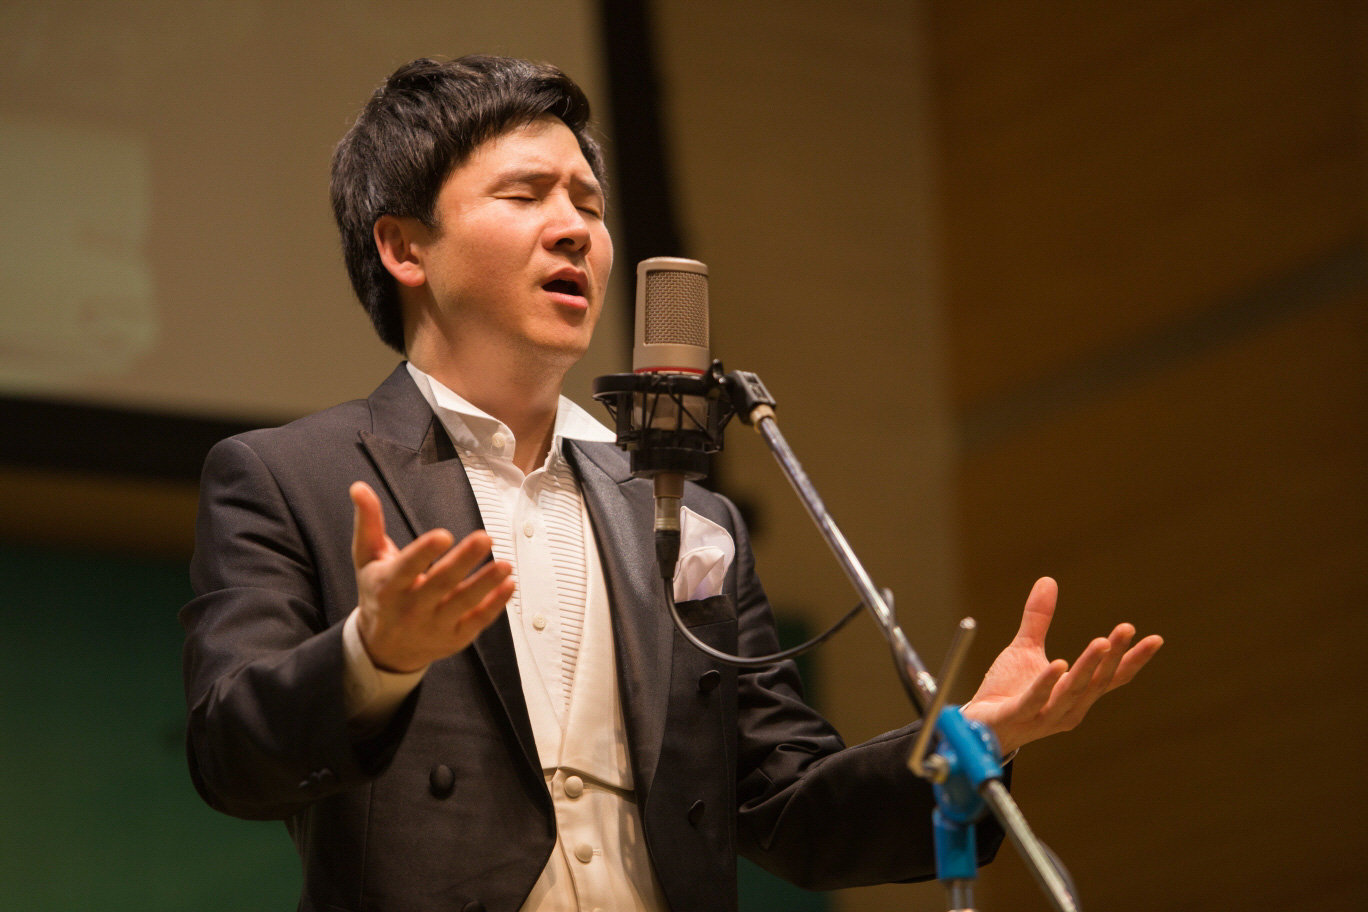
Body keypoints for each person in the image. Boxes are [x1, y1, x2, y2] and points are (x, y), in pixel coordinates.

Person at [181, 55, 1162, 912]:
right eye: (526, 196)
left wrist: (972, 741)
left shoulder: (687, 514)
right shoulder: (290, 477)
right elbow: (230, 755)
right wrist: (374, 655)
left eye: (589, 204)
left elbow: (788, 805)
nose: (574, 229)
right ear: (404, 248)